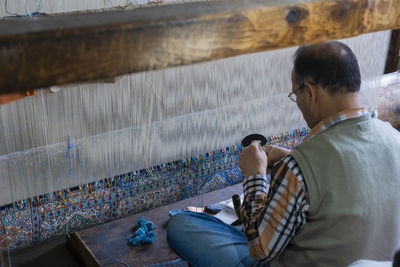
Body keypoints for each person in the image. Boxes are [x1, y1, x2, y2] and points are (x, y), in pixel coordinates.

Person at [167, 41, 400, 267]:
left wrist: (255, 175)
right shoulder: (394, 138)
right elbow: (353, 172)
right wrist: (292, 158)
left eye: (295, 94)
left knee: (182, 223)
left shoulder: (299, 168)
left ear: (310, 91)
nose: (297, 101)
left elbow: (261, 250)